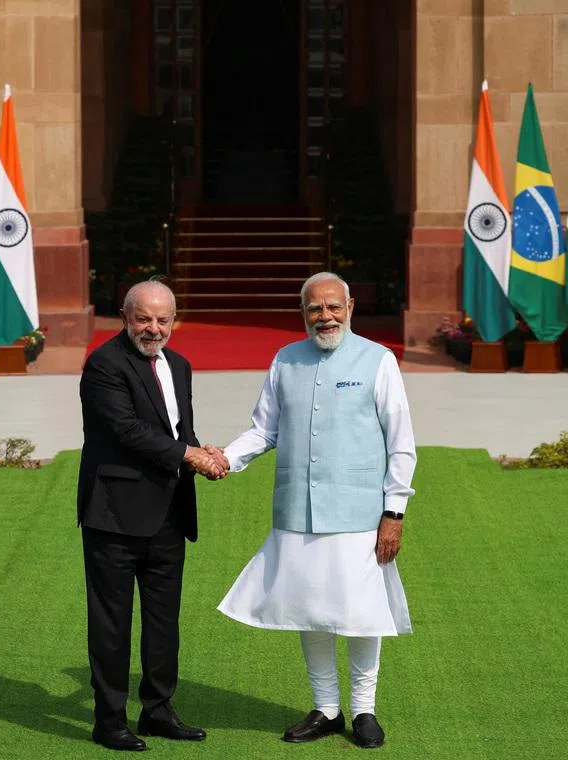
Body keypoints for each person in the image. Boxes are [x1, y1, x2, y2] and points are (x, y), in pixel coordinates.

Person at [210, 271, 416, 749]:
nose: (324, 316)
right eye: (314, 309)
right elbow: (265, 430)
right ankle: (326, 707)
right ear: (303, 314)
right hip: (297, 512)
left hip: (360, 514)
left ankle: (364, 709)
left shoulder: (379, 360)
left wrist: (395, 512)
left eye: (333, 307)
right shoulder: (285, 360)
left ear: (350, 308)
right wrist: (225, 458)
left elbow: (401, 443)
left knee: (362, 613)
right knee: (311, 610)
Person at [78, 280, 224, 752]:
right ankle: (110, 721)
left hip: (168, 514)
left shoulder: (179, 365)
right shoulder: (103, 364)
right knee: (112, 623)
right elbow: (127, 430)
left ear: (174, 321)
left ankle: (158, 712)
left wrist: (203, 452)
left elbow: (178, 429)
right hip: (114, 517)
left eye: (163, 320)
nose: (153, 328)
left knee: (164, 621)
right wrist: (190, 456)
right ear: (125, 315)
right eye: (144, 318)